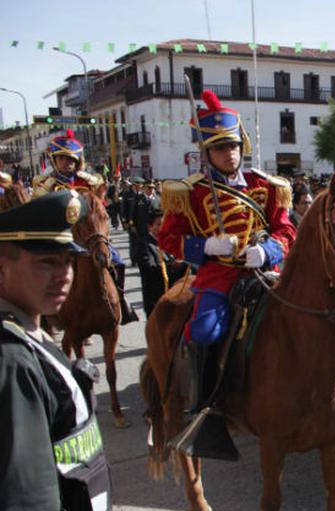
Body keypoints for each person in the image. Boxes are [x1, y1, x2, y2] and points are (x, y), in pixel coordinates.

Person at [0, 190, 113, 511]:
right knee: (206, 325)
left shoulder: (28, 330)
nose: (64, 274)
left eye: (68, 261)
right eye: (47, 262)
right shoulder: (11, 360)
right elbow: (23, 489)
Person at [158, 90, 295, 451]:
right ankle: (205, 408)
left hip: (265, 271)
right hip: (220, 274)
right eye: (220, 148)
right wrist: (204, 247)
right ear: (207, 154)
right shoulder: (188, 192)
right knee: (204, 330)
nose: (229, 153)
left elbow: (286, 230)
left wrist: (266, 250)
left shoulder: (267, 186)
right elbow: (167, 238)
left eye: (233, 146)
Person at [33, 130, 138, 324]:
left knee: (117, 261)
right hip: (61, 235)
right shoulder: (46, 183)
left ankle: (121, 301)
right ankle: (45, 312)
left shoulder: (89, 181)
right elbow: (39, 210)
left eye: (71, 159)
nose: (67, 163)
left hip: (88, 235)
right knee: (43, 267)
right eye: (62, 159)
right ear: (54, 160)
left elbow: (100, 207)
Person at [133, 212, 191, 318]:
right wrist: (173, 266)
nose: (162, 228)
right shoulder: (144, 245)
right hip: (156, 299)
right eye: (159, 224)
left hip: (175, 297)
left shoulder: (170, 241)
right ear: (150, 227)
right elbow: (149, 270)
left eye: (165, 224)